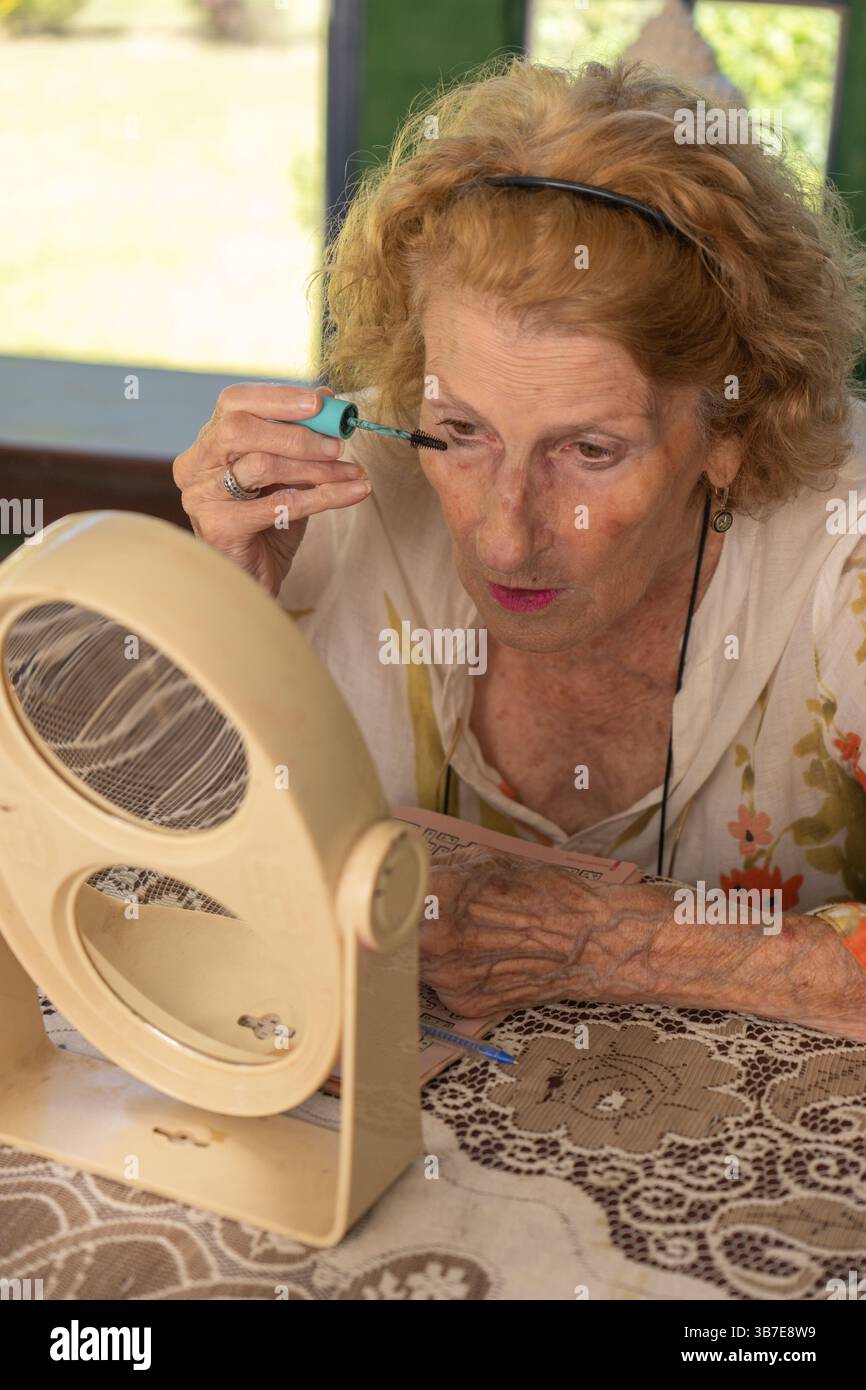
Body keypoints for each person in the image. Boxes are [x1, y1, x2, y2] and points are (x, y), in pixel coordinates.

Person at [173, 59, 866, 1039]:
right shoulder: (331, 493)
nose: (502, 534)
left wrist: (606, 937)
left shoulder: (845, 548)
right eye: (459, 431)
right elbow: (169, 861)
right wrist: (217, 610)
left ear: (730, 428)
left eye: (587, 450)